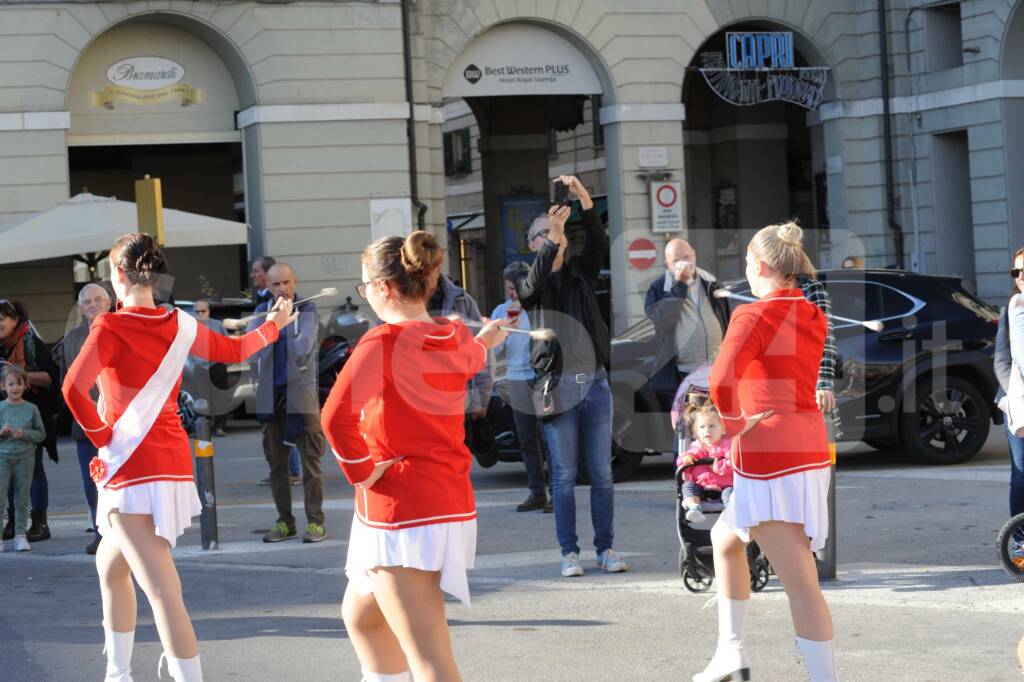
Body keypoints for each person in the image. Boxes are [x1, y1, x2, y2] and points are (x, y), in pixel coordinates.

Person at [63, 232, 292, 681]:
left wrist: (101, 433)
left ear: (117, 277)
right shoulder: (181, 324)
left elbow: (73, 388)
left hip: (132, 470)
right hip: (170, 463)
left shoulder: (109, 326)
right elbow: (233, 350)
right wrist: (273, 327)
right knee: (111, 567)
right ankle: (118, 672)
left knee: (163, 590)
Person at [322, 231, 508, 682]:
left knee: (433, 664)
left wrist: (361, 471)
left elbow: (333, 418)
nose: (363, 294)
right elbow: (470, 356)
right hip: (434, 502)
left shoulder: (380, 344)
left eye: (364, 285)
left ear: (385, 288)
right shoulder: (454, 335)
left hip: (403, 513)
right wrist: (486, 341)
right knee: (361, 617)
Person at [695, 221, 837, 682]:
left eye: (747, 266)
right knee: (724, 540)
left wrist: (734, 424)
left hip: (771, 458)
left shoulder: (752, 315)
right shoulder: (813, 313)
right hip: (807, 447)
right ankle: (729, 653)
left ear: (759, 266)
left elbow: (719, 381)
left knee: (801, 584)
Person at [517, 174, 628, 578]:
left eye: (556, 229)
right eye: (543, 233)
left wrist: (583, 199)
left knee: (601, 473)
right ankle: (569, 552)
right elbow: (536, 279)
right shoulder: (530, 282)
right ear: (534, 245)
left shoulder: (582, 272)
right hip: (558, 388)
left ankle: (606, 548)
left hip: (595, 383)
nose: (554, 234)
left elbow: (599, 241)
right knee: (562, 477)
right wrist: (555, 234)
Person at [249, 262, 327, 543]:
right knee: (277, 467)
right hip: (271, 397)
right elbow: (252, 353)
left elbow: (303, 347)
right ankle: (285, 521)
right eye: (275, 285)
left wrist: (274, 330)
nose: (282, 289)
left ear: (295, 282)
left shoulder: (307, 310)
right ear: (267, 288)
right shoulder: (261, 313)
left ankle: (316, 522)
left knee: (310, 464)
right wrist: (272, 325)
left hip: (301, 396)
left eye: (286, 283)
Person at [491, 261, 550, 512]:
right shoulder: (501, 311)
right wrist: (504, 326)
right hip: (516, 378)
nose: (512, 293)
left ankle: (556, 494)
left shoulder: (539, 307)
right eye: (508, 288)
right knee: (526, 439)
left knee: (549, 437)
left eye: (515, 288)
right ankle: (537, 492)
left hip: (541, 377)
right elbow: (494, 349)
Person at [60, 282, 113, 554]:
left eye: (97, 300)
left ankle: (124, 533)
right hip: (86, 427)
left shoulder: (120, 330)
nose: (92, 305)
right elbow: (65, 383)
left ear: (109, 302)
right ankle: (100, 532)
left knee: (121, 481)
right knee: (92, 483)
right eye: (87, 302)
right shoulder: (71, 340)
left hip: (119, 426)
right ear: (81, 308)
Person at [1, 299, 58, 544]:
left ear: (16, 321)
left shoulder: (31, 343)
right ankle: (14, 521)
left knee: (33, 471)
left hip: (30, 415)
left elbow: (49, 378)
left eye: (3, 318)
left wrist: (15, 372)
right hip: (4, 417)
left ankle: (39, 522)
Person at [645, 239, 729, 402]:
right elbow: (664, 321)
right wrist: (681, 284)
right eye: (676, 260)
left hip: (717, 373)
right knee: (689, 425)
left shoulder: (712, 283)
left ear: (694, 255)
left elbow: (727, 321)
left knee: (718, 425)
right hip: (684, 375)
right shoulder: (658, 288)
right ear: (667, 264)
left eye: (686, 256)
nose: (684, 263)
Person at [427, 272, 494, 444]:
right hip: (415, 405)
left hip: (455, 402)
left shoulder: (462, 300)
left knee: (455, 462)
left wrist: (480, 398)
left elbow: (481, 352)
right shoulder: (399, 300)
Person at [996, 247, 1024, 555]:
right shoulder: (1013, 308)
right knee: (1021, 473)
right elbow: (1001, 359)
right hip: (1018, 403)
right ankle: (1020, 541)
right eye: (1016, 272)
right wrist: (1015, 395)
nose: (1021, 277)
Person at [0, 364, 45, 552]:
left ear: (25, 385)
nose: (15, 388)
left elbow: (41, 434)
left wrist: (24, 434)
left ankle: (20, 536)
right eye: (11, 384)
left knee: (22, 498)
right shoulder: (1, 408)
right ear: (3, 386)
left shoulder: (31, 409)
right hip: (2, 458)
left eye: (19, 383)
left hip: (25, 459)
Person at [676, 403, 733, 524]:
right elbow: (680, 462)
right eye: (702, 427)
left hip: (725, 487)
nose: (707, 430)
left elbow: (735, 462)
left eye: (712, 426)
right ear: (696, 431)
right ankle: (694, 508)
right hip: (701, 488)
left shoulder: (727, 445)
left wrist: (720, 467)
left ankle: (733, 514)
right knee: (688, 486)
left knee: (731, 494)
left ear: (723, 429)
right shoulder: (696, 447)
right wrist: (686, 459)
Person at [186, 300, 229, 437]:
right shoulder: (190, 327)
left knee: (219, 397)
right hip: (200, 367)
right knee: (202, 398)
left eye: (203, 311)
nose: (200, 314)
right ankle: (203, 427)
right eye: (197, 312)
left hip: (217, 365)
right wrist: (193, 366)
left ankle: (219, 427)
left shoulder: (217, 325)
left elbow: (227, 342)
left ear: (208, 311)